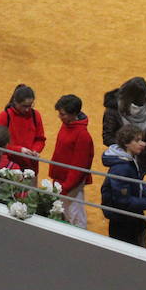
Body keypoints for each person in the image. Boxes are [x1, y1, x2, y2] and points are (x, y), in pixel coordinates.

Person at [101, 124, 146, 246]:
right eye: (137, 141)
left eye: (142, 140)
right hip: (123, 222)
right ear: (126, 144)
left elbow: (136, 182)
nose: (143, 144)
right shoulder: (121, 168)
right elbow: (123, 201)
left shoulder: (128, 159)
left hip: (131, 217)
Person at [48, 94, 94, 229]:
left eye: (62, 114)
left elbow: (79, 166)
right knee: (63, 213)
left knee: (76, 217)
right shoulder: (66, 125)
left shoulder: (83, 136)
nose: (60, 117)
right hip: (60, 181)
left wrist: (66, 187)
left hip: (71, 185)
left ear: (73, 114)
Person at [102, 77, 146, 177]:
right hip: (122, 161)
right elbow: (107, 137)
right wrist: (130, 144)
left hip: (142, 159)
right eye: (141, 99)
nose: (143, 103)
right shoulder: (113, 111)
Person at [0, 84, 46, 177]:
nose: (27, 109)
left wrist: (35, 150)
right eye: (24, 106)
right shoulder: (4, 116)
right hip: (9, 168)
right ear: (15, 102)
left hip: (30, 168)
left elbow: (40, 139)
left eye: (30, 105)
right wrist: (19, 150)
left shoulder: (36, 115)